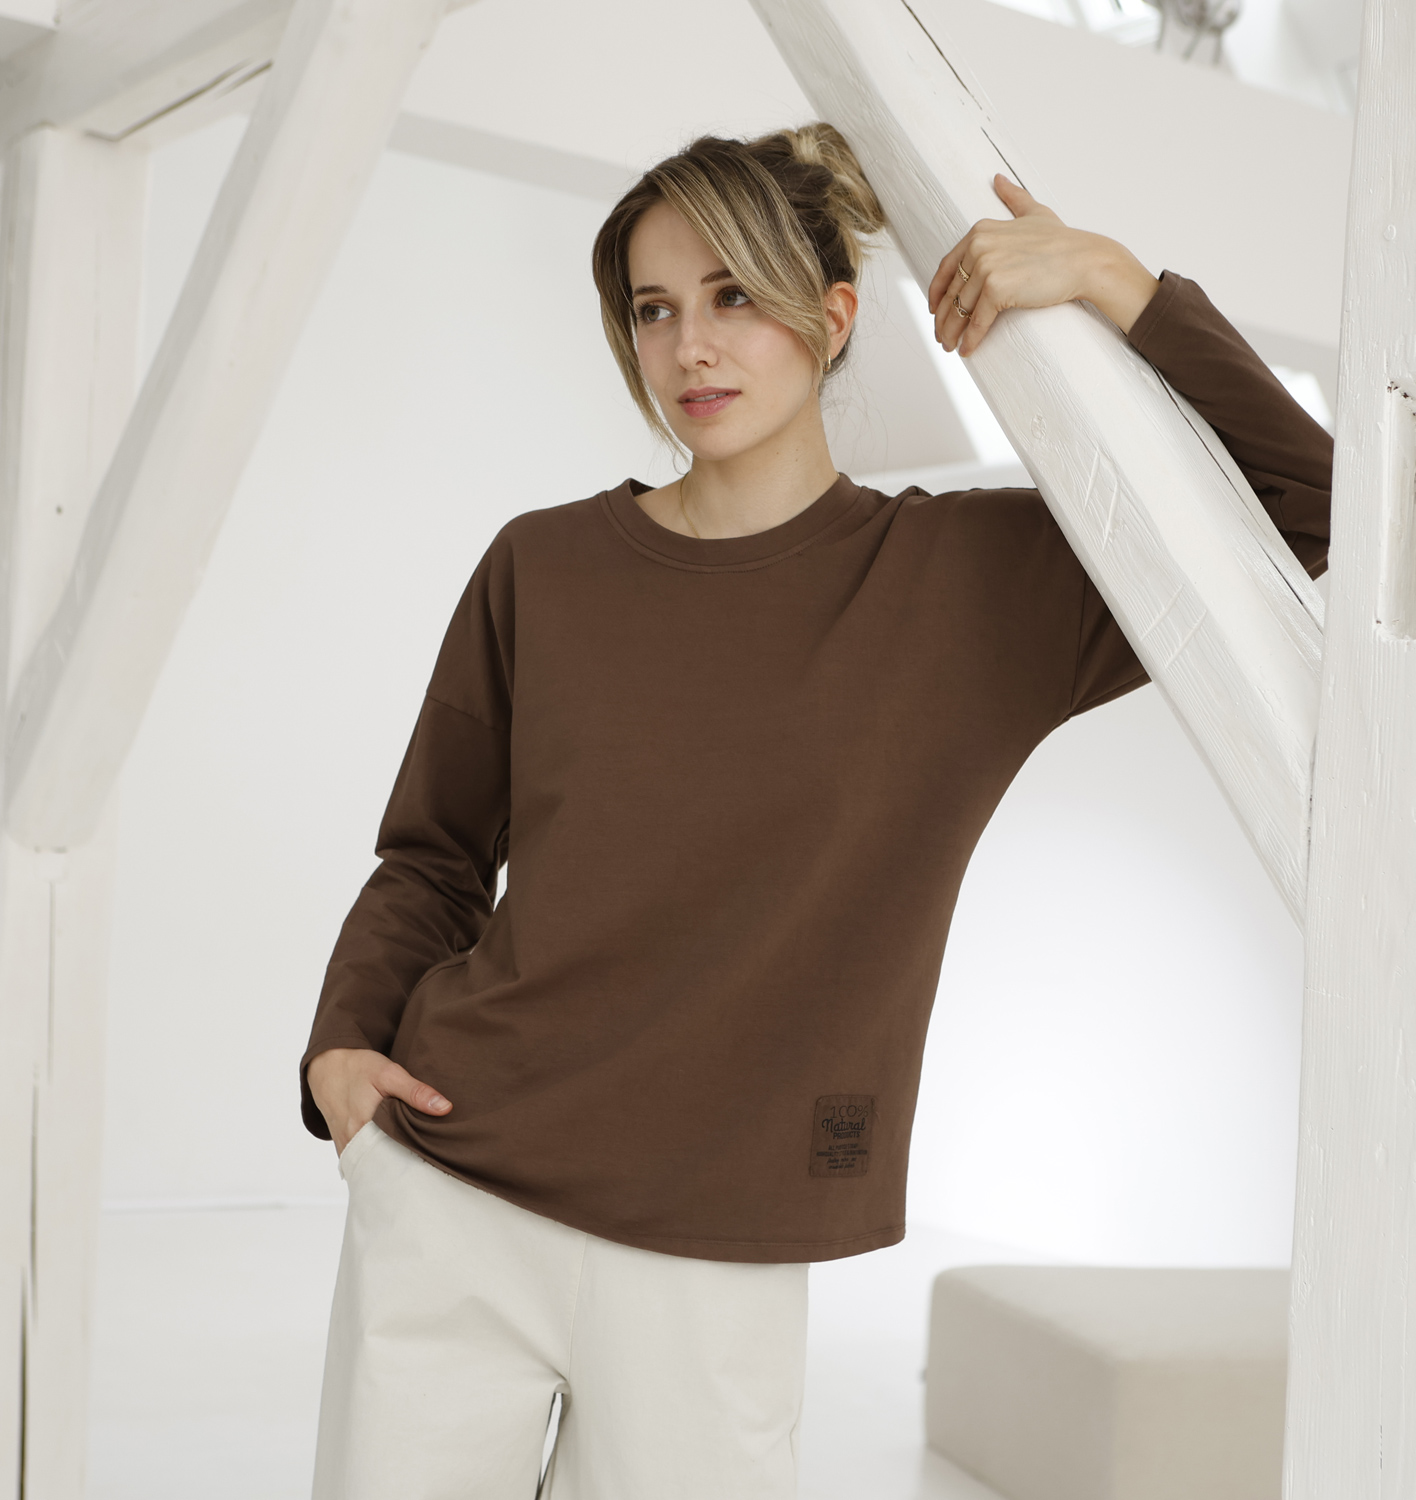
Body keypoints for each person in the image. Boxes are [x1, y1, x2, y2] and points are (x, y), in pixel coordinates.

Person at [300, 124, 1331, 1499]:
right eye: (654, 309)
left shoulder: (970, 587)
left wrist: (1111, 280)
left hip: (718, 1249)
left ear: (835, 317)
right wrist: (342, 1049)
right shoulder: (541, 567)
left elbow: (1310, 509)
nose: (690, 347)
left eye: (732, 295)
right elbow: (431, 854)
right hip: (453, 1195)